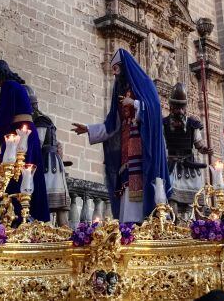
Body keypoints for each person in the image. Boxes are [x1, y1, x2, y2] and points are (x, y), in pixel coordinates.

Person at [71, 49, 170, 223]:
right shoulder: (120, 93)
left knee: (140, 182)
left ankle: (145, 220)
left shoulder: (145, 84)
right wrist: (88, 129)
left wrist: (135, 103)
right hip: (125, 147)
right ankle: (127, 224)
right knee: (126, 185)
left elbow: (154, 109)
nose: (114, 73)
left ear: (124, 67)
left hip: (142, 146)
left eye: (116, 68)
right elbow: (112, 125)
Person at [0, 58, 49, 223]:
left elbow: (5, 113)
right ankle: (30, 214)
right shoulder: (15, 86)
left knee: (12, 173)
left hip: (19, 133)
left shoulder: (8, 86)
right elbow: (2, 112)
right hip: (26, 132)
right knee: (25, 172)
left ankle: (11, 216)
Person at [163, 82, 211, 216]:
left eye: (181, 108)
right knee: (172, 198)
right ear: (171, 107)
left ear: (185, 108)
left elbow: (199, 144)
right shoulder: (164, 124)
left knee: (196, 201)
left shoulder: (193, 124)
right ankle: (174, 224)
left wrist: (205, 149)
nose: (179, 111)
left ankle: (197, 224)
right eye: (176, 107)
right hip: (172, 166)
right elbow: (161, 145)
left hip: (190, 166)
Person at [27, 84, 70, 226]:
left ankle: (63, 236)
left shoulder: (40, 120)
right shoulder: (38, 119)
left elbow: (37, 145)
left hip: (48, 166)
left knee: (55, 207)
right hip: (49, 164)